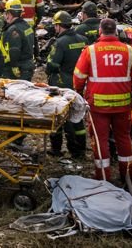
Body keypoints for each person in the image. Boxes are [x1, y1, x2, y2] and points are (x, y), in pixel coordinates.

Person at [73, 18, 132, 181]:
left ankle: (103, 178)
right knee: (124, 139)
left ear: (100, 31)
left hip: (98, 106)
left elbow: (78, 78)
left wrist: (79, 92)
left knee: (100, 141)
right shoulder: (130, 50)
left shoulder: (90, 51)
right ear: (116, 32)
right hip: (123, 104)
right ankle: (127, 176)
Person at [46, 11, 88, 158]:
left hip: (62, 84)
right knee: (77, 116)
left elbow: (52, 65)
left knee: (59, 116)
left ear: (58, 26)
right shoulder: (83, 39)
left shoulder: (60, 43)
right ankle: (80, 148)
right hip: (79, 83)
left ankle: (56, 149)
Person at [0, 0, 36, 81]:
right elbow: (34, 43)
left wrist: (14, 66)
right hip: (28, 66)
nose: (5, 16)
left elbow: (14, 50)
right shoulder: (27, 26)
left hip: (19, 68)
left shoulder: (13, 30)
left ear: (9, 13)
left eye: (6, 13)